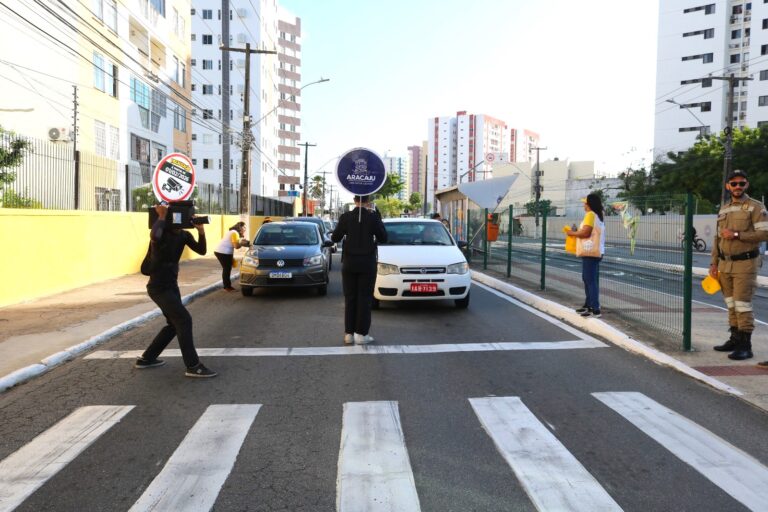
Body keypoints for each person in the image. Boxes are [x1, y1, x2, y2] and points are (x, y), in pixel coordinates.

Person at [136, 204, 217, 378]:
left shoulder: (183, 235)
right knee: (184, 320)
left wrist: (201, 231)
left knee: (174, 324)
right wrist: (162, 216)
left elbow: (201, 250)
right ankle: (193, 365)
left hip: (171, 286)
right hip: (158, 287)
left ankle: (147, 358)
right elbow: (154, 235)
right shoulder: (161, 233)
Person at [708, 170, 768, 363]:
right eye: (734, 184)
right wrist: (713, 263)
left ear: (747, 185)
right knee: (731, 304)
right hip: (725, 264)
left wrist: (736, 235)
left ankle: (745, 346)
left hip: (745, 263)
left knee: (742, 304)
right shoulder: (723, 208)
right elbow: (717, 238)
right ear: (728, 186)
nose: (738, 187)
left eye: (741, 183)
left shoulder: (756, 207)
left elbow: (764, 234)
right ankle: (734, 339)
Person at [331, 195, 388, 345]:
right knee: (365, 299)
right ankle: (361, 335)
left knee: (350, 298)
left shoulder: (346, 217)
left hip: (349, 263)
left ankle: (348, 334)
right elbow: (383, 238)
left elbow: (335, 238)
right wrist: (378, 218)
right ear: (368, 201)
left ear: (354, 200)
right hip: (367, 264)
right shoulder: (373, 217)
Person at [566, 193, 606, 318]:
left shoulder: (590, 215)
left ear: (589, 204)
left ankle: (595, 308)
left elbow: (586, 233)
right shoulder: (598, 216)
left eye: (585, 203)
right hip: (596, 251)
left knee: (590, 280)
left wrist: (571, 233)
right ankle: (588, 305)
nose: (583, 205)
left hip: (590, 252)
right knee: (588, 279)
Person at [214, 221, 248, 291]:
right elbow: (236, 246)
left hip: (222, 252)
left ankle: (227, 286)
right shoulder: (234, 233)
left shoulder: (232, 232)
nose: (245, 229)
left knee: (228, 268)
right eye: (244, 227)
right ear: (240, 227)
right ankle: (227, 287)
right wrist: (243, 244)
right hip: (223, 252)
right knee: (227, 269)